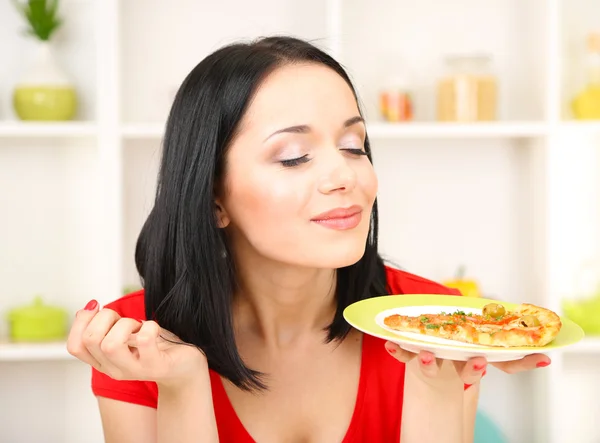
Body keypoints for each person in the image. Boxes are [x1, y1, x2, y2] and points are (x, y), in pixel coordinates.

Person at [66, 36, 550, 443]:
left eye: (353, 146)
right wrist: (182, 386)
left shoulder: (433, 323)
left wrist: (436, 386)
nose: (345, 175)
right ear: (213, 198)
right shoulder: (136, 341)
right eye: (294, 156)